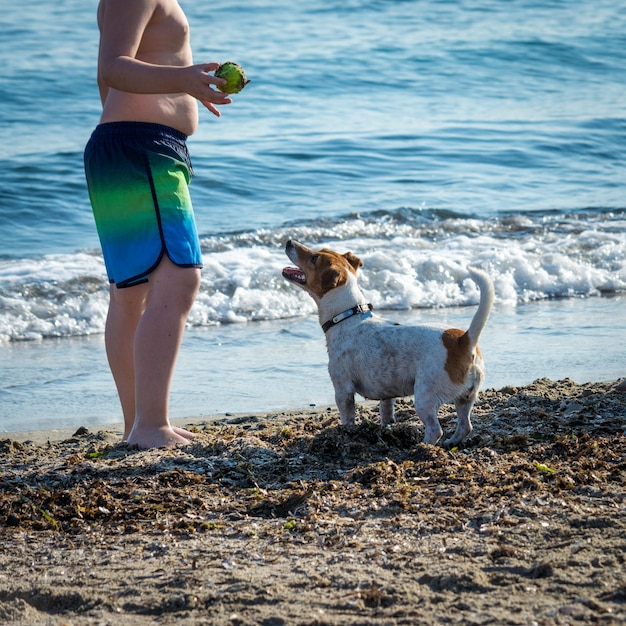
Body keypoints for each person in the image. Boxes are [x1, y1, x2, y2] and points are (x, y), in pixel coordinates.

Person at [84, 0, 232, 448]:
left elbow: (105, 76)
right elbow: (114, 68)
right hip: (143, 149)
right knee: (178, 279)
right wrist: (182, 82)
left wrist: (181, 91)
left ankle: (139, 425)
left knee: (131, 293)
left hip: (125, 145)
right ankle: (150, 424)